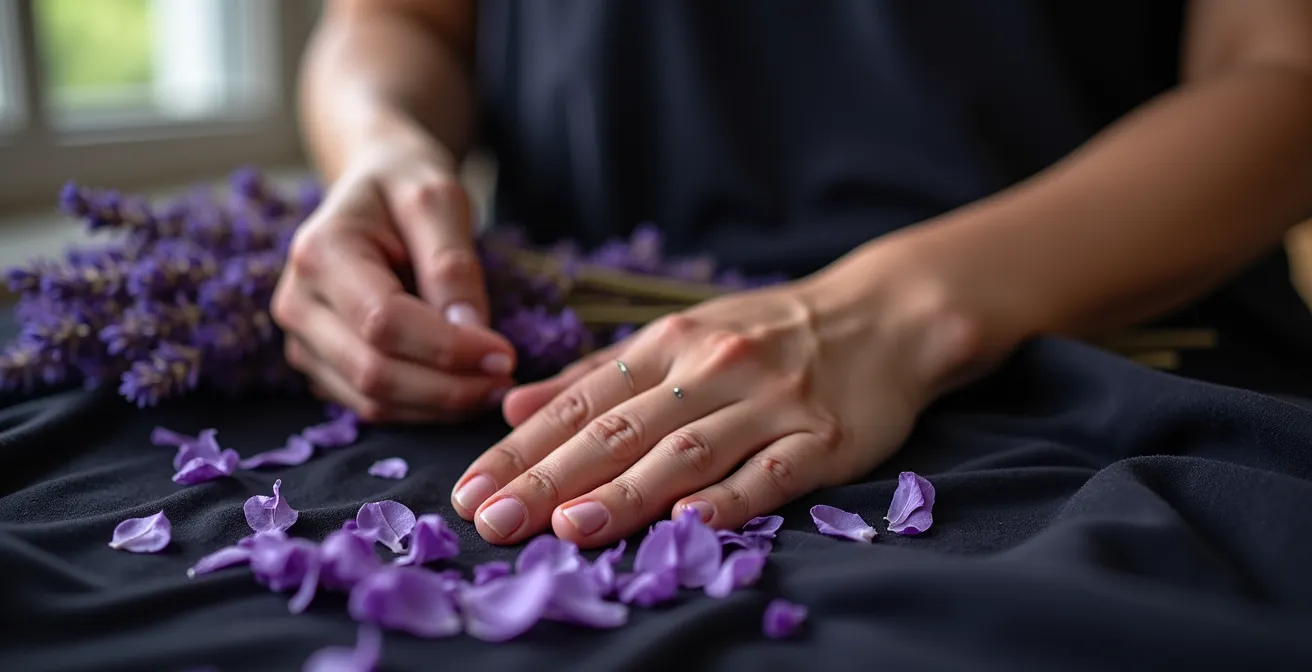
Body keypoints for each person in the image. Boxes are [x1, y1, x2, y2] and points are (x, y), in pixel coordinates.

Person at [272, 0, 1312, 549]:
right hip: (582, 366)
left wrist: (897, 313)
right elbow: (395, 22)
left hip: (1103, 344)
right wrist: (383, 151)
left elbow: (1287, 74)